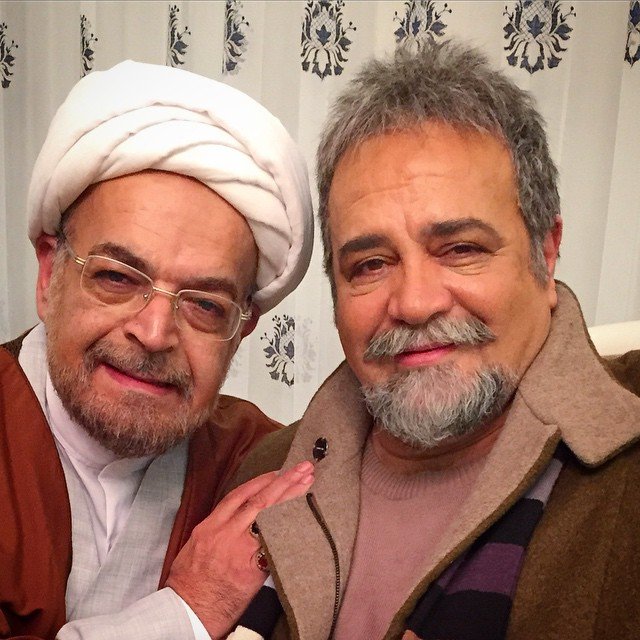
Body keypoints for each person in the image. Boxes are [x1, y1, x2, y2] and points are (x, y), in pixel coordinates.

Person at [229, 40, 640, 640]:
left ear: (545, 254)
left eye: (461, 249)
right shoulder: (263, 474)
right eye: (371, 264)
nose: (415, 303)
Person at [0, 60, 316, 640]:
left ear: (243, 328)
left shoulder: (257, 462)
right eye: (117, 278)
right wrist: (192, 610)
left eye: (205, 305)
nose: (153, 332)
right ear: (49, 276)